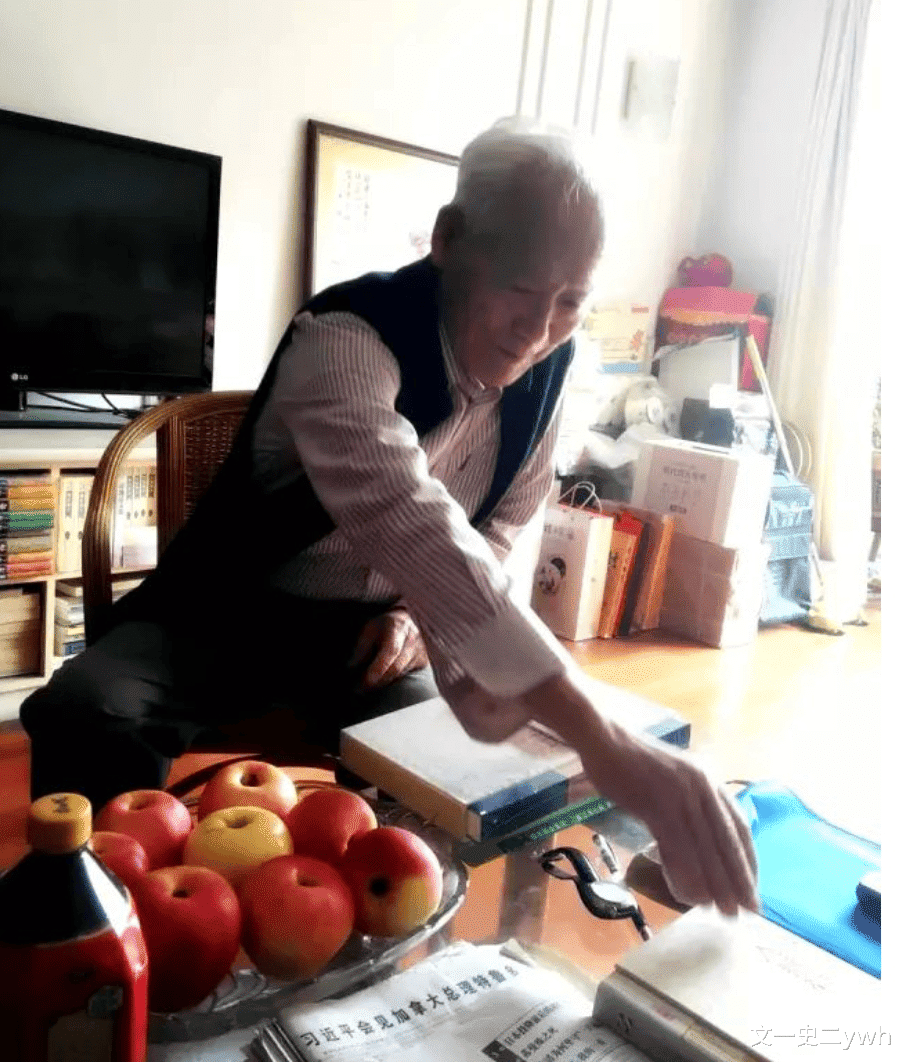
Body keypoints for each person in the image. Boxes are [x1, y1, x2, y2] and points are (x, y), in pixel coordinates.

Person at [21, 118, 759, 916]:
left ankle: (394, 932)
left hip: (366, 639)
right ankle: (97, 927)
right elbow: (410, 520)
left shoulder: (550, 369)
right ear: (448, 239)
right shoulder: (343, 338)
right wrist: (601, 734)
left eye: (571, 302)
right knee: (87, 710)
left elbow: (500, 527)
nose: (538, 330)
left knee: (478, 766)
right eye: (520, 289)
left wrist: (411, 616)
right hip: (221, 617)